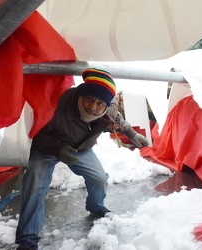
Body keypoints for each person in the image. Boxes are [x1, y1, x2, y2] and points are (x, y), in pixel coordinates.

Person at [15, 68, 149, 250]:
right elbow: (37, 134)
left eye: (100, 103)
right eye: (90, 100)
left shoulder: (108, 109)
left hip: (80, 148)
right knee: (34, 184)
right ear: (82, 94)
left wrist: (132, 134)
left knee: (99, 178)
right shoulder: (58, 104)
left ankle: (96, 206)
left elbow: (117, 118)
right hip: (47, 147)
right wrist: (59, 149)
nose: (93, 108)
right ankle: (27, 239)